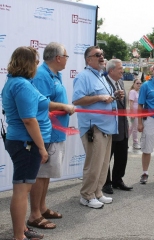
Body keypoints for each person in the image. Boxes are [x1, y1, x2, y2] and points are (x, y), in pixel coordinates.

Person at [2, 46, 73, 240]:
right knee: (21, 189)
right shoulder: (22, 85)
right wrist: (42, 148)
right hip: (26, 142)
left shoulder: (22, 83)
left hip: (24, 141)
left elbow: (43, 102)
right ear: (28, 63)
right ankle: (19, 235)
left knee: (23, 187)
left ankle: (22, 229)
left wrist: (65, 106)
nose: (37, 64)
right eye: (35, 61)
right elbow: (29, 119)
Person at [27, 42, 74, 230]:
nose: (67, 60)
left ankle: (42, 207)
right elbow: (42, 103)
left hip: (56, 132)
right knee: (40, 175)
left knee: (46, 175)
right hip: (47, 132)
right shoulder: (41, 75)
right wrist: (65, 107)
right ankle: (34, 215)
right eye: (66, 56)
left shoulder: (56, 74)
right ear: (58, 57)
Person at [72, 46, 117, 208]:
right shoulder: (83, 76)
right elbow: (77, 100)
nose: (101, 57)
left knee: (103, 164)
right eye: (97, 55)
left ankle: (97, 192)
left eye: (102, 54)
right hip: (94, 128)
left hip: (107, 126)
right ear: (88, 59)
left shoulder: (101, 76)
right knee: (94, 163)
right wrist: (99, 97)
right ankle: (86, 195)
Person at [102, 59, 133, 195]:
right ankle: (105, 182)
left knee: (122, 156)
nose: (123, 71)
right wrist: (112, 97)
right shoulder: (103, 82)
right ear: (111, 70)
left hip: (122, 125)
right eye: (120, 68)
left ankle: (117, 180)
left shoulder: (120, 82)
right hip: (109, 126)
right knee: (107, 157)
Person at [128, 78, 142, 150]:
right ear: (134, 84)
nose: (139, 85)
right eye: (137, 83)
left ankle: (125, 140)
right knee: (134, 128)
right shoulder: (132, 92)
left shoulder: (138, 92)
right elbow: (131, 103)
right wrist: (132, 113)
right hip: (134, 113)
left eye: (140, 83)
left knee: (131, 128)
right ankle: (135, 142)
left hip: (138, 113)